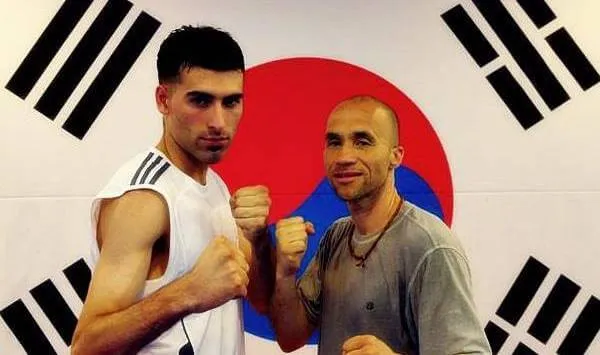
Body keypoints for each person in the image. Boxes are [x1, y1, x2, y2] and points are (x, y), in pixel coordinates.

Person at [71, 25, 273, 355]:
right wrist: (189, 292)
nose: (219, 122)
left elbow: (261, 300)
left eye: (231, 101)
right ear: (164, 100)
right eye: (201, 101)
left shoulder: (215, 185)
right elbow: (86, 346)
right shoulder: (145, 198)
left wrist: (260, 239)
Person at [269, 95, 492, 354]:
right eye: (334, 142)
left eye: (362, 142)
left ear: (395, 156)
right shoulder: (337, 236)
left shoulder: (431, 247)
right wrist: (285, 273)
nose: (344, 156)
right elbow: (290, 337)